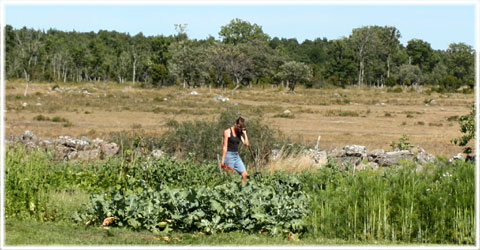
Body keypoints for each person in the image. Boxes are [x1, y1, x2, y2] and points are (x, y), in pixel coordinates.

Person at [221, 117, 249, 182]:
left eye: (240, 128)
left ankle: (242, 190)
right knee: (230, 177)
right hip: (229, 155)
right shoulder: (227, 132)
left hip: (236, 155)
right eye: (238, 127)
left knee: (245, 174)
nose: (239, 129)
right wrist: (223, 160)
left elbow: (246, 144)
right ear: (235, 124)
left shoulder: (239, 133)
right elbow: (225, 147)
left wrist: (245, 133)